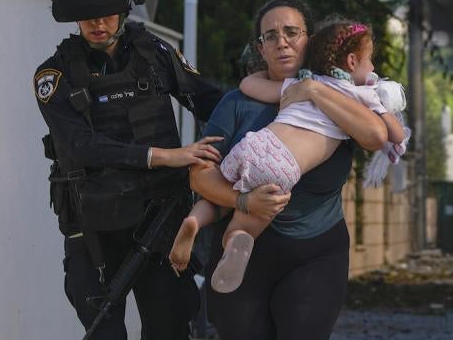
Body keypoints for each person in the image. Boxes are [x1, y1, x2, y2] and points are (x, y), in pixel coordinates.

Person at [34, 0, 225, 340]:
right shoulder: (53, 75)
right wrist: (166, 156)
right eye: (88, 15)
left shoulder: (155, 54)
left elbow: (207, 100)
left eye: (107, 13)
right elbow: (81, 145)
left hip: (161, 223)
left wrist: (271, 115)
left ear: (124, 9)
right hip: (93, 231)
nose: (98, 24)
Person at [189, 0, 389, 340]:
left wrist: (313, 89)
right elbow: (201, 177)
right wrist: (244, 203)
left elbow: (376, 134)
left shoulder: (337, 93)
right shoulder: (237, 103)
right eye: (270, 36)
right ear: (259, 47)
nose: (282, 43)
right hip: (246, 255)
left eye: (292, 33)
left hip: (316, 254)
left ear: (311, 40)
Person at [169, 20, 407, 293]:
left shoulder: (302, 83)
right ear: (352, 62)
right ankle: (236, 240)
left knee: (220, 194)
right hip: (283, 166)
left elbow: (249, 85)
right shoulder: (362, 96)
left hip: (255, 144)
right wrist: (386, 109)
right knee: (248, 221)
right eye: (370, 62)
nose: (373, 69)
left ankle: (194, 221)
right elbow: (394, 135)